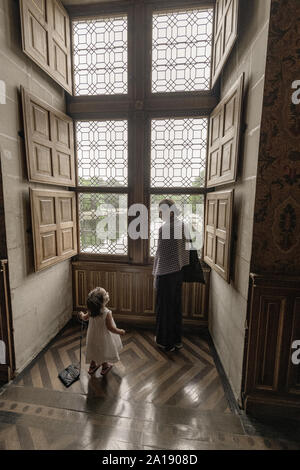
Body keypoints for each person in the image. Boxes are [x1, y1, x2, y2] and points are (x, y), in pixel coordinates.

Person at [152, 199, 191, 352]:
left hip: (166, 273)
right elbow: (187, 249)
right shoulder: (183, 225)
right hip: (178, 272)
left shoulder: (165, 228)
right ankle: (176, 340)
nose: (159, 214)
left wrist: (156, 275)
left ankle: (164, 343)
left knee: (163, 310)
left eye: (161, 211)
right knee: (175, 307)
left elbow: (160, 254)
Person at [79, 287, 125, 376]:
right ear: (102, 301)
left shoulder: (91, 311)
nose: (107, 293)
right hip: (103, 337)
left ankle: (92, 366)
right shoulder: (107, 313)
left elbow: (84, 318)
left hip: (92, 336)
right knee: (102, 350)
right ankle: (105, 366)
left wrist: (81, 315)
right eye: (105, 294)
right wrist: (120, 331)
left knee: (93, 350)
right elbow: (111, 328)